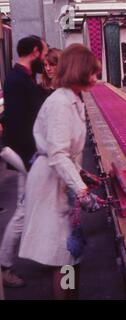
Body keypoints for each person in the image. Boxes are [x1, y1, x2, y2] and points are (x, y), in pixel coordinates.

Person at [19, 44, 104, 300]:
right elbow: (57, 154)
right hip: (49, 183)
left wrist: (83, 174)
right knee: (63, 255)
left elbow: (65, 151)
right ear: (80, 72)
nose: (96, 79)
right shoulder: (60, 104)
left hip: (59, 178)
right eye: (93, 73)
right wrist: (81, 190)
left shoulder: (73, 99)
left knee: (70, 253)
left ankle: (70, 296)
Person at [0, 35, 48, 288]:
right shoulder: (18, 80)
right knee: (22, 210)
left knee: (30, 207)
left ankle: (42, 254)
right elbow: (18, 125)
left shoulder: (23, 78)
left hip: (26, 153)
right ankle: (4, 266)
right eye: (45, 54)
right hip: (22, 154)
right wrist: (32, 163)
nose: (46, 61)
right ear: (35, 51)